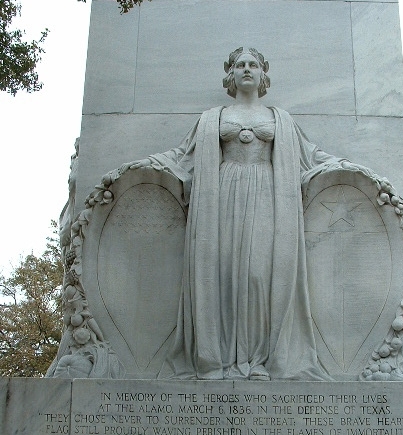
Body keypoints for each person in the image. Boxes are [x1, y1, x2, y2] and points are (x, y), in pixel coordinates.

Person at [128, 47, 376, 381]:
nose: (247, 69)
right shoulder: (212, 118)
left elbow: (311, 156)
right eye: (240, 65)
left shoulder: (280, 119)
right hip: (223, 195)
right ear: (230, 74)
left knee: (260, 274)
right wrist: (151, 163)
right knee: (224, 272)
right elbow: (183, 155)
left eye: (253, 65)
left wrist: (341, 165)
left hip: (267, 196)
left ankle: (259, 358)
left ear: (263, 74)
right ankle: (223, 358)